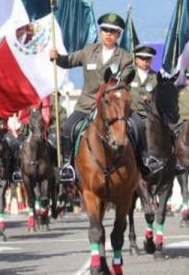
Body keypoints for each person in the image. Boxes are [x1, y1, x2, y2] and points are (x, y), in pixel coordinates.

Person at [49, 13, 134, 182]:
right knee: (68, 127)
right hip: (87, 104)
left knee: (138, 127)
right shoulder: (88, 51)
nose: (108, 34)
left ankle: (142, 163)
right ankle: (68, 166)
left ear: (119, 35)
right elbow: (69, 61)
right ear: (101, 32)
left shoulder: (125, 57)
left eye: (113, 31)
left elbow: (124, 80)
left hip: (113, 107)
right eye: (105, 30)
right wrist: (57, 58)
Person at [127, 45, 164, 175]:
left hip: (149, 115)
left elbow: (161, 96)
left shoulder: (156, 77)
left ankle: (164, 160)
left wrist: (150, 98)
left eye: (148, 59)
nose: (145, 61)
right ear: (136, 60)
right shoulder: (129, 75)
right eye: (142, 58)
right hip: (131, 114)